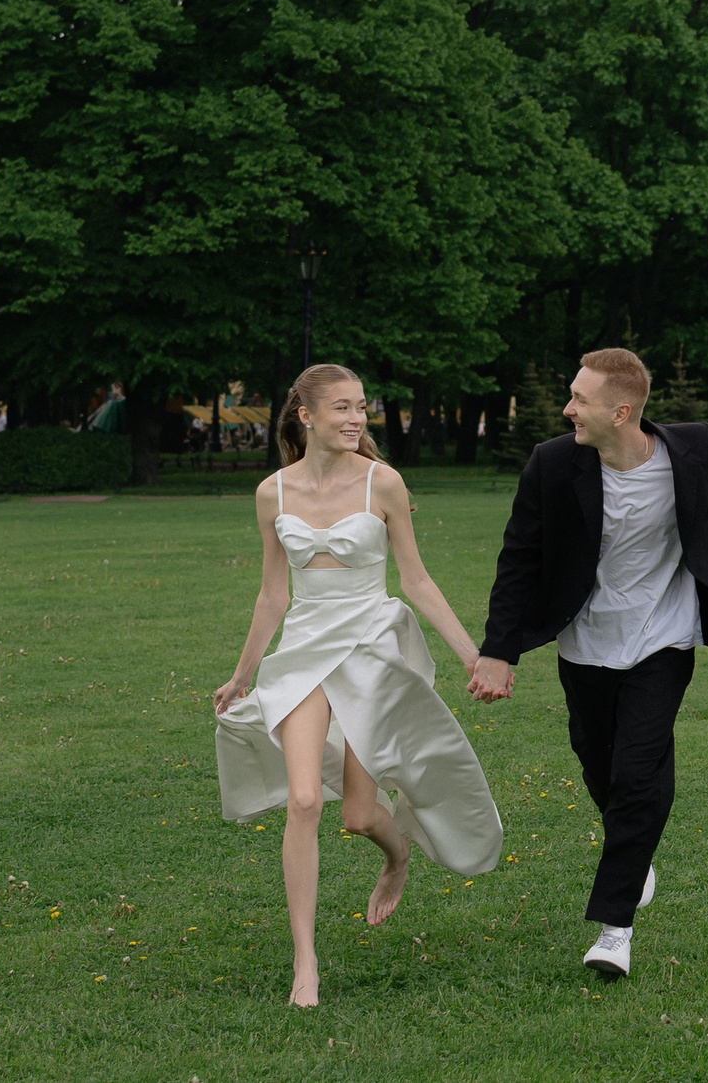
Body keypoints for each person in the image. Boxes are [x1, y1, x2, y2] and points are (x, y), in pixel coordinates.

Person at [469, 347, 708, 982]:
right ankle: (634, 852)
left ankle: (615, 929)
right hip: (586, 640)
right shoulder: (554, 464)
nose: (567, 408)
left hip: (664, 635)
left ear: (622, 410)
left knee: (639, 768)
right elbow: (519, 556)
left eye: (579, 399)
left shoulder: (692, 448)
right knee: (599, 762)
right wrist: (498, 651)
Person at [212, 364, 502, 1009]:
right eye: (341, 407)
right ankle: (306, 965)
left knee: (357, 815)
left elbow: (417, 582)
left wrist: (473, 657)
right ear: (306, 416)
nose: (355, 419)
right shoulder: (272, 494)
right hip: (303, 658)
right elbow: (271, 595)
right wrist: (241, 675)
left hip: (371, 654)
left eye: (361, 408)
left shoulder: (384, 482)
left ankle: (396, 859)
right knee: (307, 800)